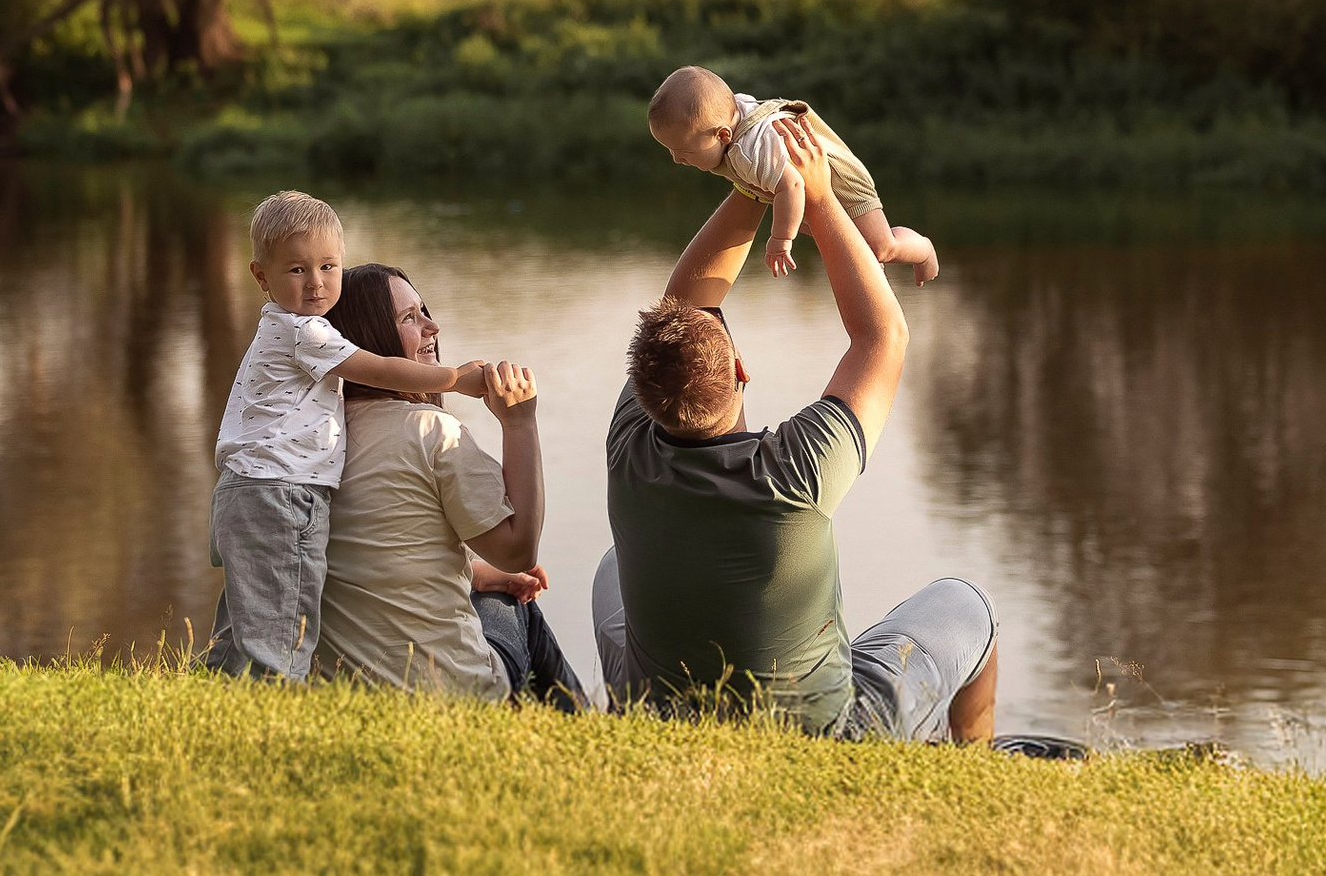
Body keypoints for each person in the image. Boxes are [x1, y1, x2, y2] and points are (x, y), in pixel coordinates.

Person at [596, 115, 996, 741]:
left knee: (608, 570)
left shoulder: (629, 448)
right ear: (740, 370)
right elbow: (881, 336)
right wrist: (820, 197)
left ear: (643, 393)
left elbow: (684, 303)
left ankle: (645, 716)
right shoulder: (792, 471)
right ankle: (974, 774)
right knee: (968, 606)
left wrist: (757, 185)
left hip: (666, 717)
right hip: (822, 731)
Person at [206, 192, 494, 680]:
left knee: (247, 619)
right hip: (281, 493)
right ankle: (270, 715)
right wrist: (455, 379)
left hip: (246, 489)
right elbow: (379, 368)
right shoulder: (305, 332)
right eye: (297, 270)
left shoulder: (280, 328)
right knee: (282, 627)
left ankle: (213, 694)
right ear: (262, 276)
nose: (316, 283)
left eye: (328, 267)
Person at [314, 262, 585, 708]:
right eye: (409, 319)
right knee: (518, 609)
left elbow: (371, 557)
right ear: (371, 339)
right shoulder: (430, 431)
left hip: (345, 688)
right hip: (445, 693)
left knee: (502, 584)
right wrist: (520, 423)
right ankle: (587, 737)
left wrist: (479, 574)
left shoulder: (316, 436)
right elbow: (518, 549)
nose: (432, 326)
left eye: (424, 311)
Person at [647, 65, 938, 285]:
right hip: (806, 190)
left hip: (840, 181)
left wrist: (780, 240)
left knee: (881, 247)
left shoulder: (751, 151)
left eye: (683, 152)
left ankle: (923, 250)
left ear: (723, 134)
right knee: (847, 247)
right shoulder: (727, 114)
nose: (676, 159)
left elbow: (793, 184)